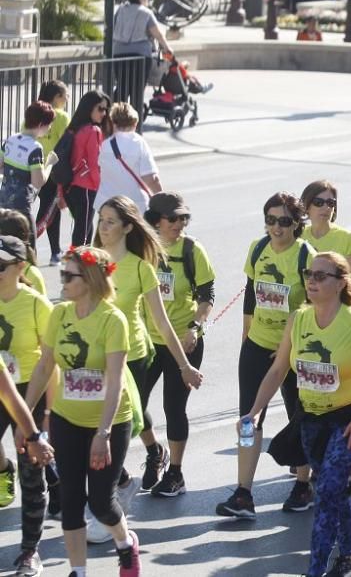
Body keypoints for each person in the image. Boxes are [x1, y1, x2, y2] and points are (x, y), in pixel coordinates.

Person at [244, 252, 351, 577]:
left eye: (321, 276)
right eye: (309, 273)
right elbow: (279, 369)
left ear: (340, 282)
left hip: (349, 419)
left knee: (325, 493)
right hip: (310, 420)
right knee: (331, 489)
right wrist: (254, 411)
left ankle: (316, 569)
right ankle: (349, 554)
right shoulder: (299, 318)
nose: (312, 280)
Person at [22, 246, 142, 577]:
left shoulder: (111, 320)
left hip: (108, 423)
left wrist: (103, 434)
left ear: (88, 279)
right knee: (72, 502)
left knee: (101, 502)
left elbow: (116, 380)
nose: (61, 281)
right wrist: (27, 416)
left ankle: (125, 543)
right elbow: (45, 365)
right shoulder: (59, 315)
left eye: (67, 275)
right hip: (66, 419)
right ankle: (79, 571)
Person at [216, 192, 316, 519]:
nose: (276, 227)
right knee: (249, 418)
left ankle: (303, 483)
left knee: (297, 416)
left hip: (294, 350)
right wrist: (247, 339)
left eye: (284, 221)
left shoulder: (305, 255)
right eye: (270, 220)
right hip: (258, 345)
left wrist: (293, 345)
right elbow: (250, 295)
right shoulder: (258, 249)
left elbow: (317, 304)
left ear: (297, 223)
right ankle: (243, 493)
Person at [95, 196, 203, 496]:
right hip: (96, 356)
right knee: (100, 419)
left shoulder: (141, 268)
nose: (103, 227)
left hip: (133, 354)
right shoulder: (89, 261)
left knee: (127, 417)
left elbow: (162, 322)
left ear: (128, 227)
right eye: (101, 219)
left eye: (110, 221)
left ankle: (114, 488)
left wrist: (184, 366)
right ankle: (152, 452)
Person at [141, 192, 215, 497]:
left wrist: (195, 328)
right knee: (133, 406)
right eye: (172, 218)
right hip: (147, 340)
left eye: (183, 218)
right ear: (155, 221)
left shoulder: (191, 249)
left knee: (173, 407)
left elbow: (206, 296)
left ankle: (176, 473)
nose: (179, 224)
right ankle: (154, 451)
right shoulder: (143, 248)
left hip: (184, 341)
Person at [0, 235, 53, 576]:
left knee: (32, 473)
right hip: (1, 387)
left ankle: (30, 551)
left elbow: (52, 361)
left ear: (20, 268)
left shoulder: (36, 303)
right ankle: (3, 471)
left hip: (30, 389)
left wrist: (41, 420)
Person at [0, 102, 57, 249]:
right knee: (28, 252)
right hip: (21, 209)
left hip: (3, 205)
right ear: (40, 124)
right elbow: (38, 182)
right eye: (48, 124)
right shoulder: (35, 148)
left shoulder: (9, 140)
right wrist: (50, 163)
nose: (49, 128)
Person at [112, 0, 172, 118]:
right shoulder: (146, 13)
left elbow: (112, 28)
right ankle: (134, 125)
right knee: (137, 92)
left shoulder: (120, 10)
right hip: (140, 56)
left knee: (122, 88)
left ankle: (116, 119)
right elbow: (158, 34)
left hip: (119, 54)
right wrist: (167, 49)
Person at [95, 103, 161, 213]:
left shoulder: (104, 145)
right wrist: (162, 201)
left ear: (113, 123)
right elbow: (151, 178)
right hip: (133, 205)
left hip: (106, 204)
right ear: (135, 123)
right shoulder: (139, 143)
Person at [65, 91, 111, 247]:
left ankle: (80, 262)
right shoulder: (93, 130)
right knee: (83, 233)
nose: (104, 113)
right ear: (89, 107)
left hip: (72, 185)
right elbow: (94, 163)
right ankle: (80, 264)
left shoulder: (76, 128)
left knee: (85, 228)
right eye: (100, 109)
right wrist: (102, 188)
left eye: (106, 110)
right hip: (86, 186)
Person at [33, 80, 71, 264]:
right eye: (66, 96)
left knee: (51, 209)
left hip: (32, 168)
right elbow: (68, 144)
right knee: (48, 211)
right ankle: (28, 242)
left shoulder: (33, 112)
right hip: (53, 170)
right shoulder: (61, 117)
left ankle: (55, 251)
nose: (68, 99)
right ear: (57, 97)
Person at [300, 179, 351, 282]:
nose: (326, 207)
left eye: (330, 203)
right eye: (318, 202)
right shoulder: (297, 236)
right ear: (306, 206)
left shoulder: (349, 240)